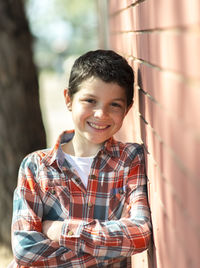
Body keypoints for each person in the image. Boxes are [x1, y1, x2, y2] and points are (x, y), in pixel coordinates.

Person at [11, 50, 151, 267]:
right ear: (68, 99)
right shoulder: (36, 166)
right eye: (90, 100)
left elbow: (139, 234)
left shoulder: (129, 159)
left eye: (114, 104)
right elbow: (26, 251)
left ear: (127, 109)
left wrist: (60, 230)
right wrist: (111, 248)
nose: (100, 114)